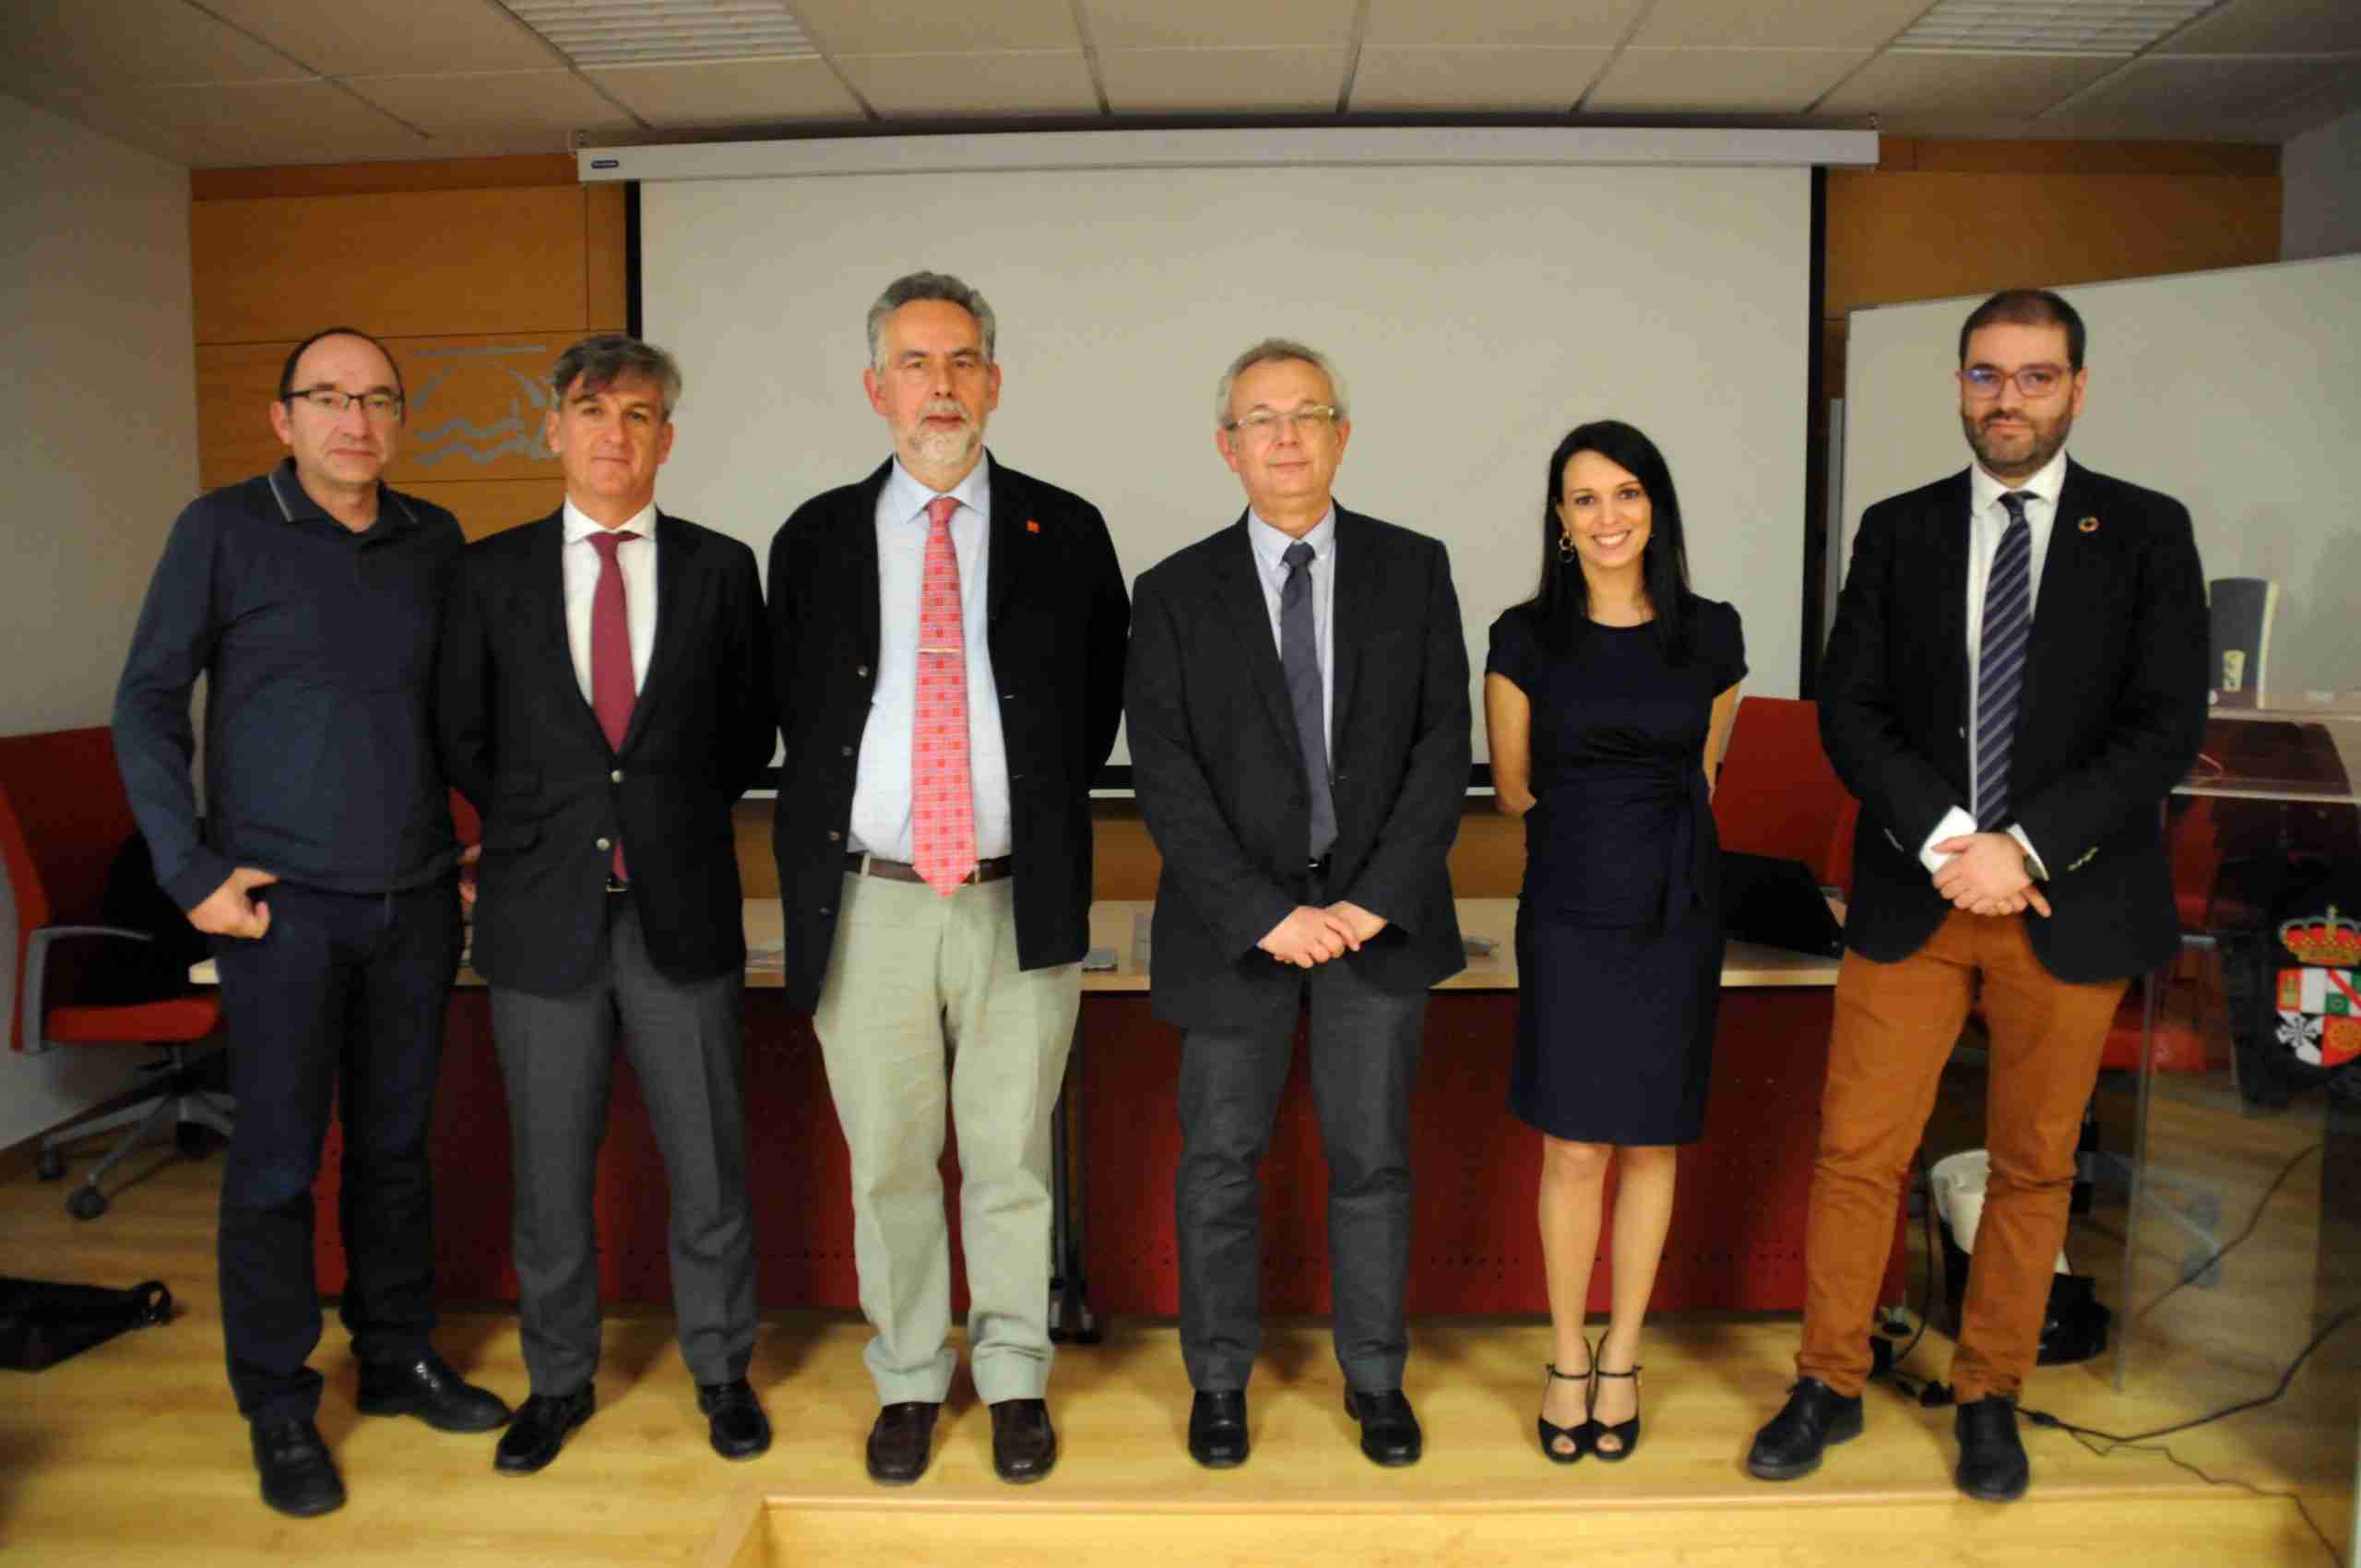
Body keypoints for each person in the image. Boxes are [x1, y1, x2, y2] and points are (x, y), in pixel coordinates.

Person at [1746, 289, 2207, 1502]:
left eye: (2036, 376)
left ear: (2077, 388)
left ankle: (1991, 1391)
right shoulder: (1897, 531)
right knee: (1858, 1153)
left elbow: (2166, 726)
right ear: (1960, 386)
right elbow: (1851, 710)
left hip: (2070, 900)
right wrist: (1955, 838)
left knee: (2034, 1165)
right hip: (1918, 893)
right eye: (1987, 376)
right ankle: (1829, 1381)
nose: (2009, 399)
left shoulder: (2149, 532)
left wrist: (2028, 848)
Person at [114, 327, 510, 1519]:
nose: (356, 419)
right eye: (328, 398)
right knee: (279, 1167)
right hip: (274, 912)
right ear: (282, 418)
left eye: (378, 398)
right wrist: (190, 872)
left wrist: (477, 834)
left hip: (413, 903)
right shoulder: (220, 531)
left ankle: (394, 1358)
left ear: (400, 419)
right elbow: (144, 702)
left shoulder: (432, 539)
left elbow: (454, 710)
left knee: (396, 1154)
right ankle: (279, 1405)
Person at [767, 271, 1128, 1486]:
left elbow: (1091, 711)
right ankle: (914, 1376)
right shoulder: (813, 539)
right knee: (889, 1160)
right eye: (917, 364)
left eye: (963, 360)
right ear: (877, 388)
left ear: (995, 381)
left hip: (1013, 893)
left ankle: (1017, 1374)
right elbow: (795, 716)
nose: (942, 385)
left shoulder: (1065, 530)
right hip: (865, 899)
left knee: (1011, 1154)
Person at [1127, 339, 1470, 1470]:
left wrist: (1372, 898)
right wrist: (1266, 914)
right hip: (1237, 933)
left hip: (1374, 922)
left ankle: (1374, 1376)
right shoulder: (1172, 592)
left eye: (1306, 414)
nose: (1284, 436)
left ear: (1342, 434)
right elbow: (1165, 774)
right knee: (1218, 1161)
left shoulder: (1414, 568)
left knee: (1371, 1158)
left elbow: (1438, 747)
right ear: (1227, 447)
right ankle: (1217, 1379)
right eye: (1259, 419)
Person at [436, 334, 776, 1475]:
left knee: (711, 1162)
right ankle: (558, 1378)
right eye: (590, 411)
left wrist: (657, 815)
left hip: (680, 908)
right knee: (548, 1171)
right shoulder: (489, 573)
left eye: (637, 415)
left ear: (667, 438)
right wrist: (559, 827)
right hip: (543, 917)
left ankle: (723, 1372)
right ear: (553, 428)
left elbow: (745, 732)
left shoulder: (723, 568)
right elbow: (466, 736)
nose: (612, 434)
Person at [1484, 421, 1745, 1464]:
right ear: (1558, 518)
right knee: (1574, 1142)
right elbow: (1511, 788)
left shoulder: (1713, 632)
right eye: (1583, 497)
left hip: (1676, 907)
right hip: (1569, 906)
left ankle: (1623, 1351)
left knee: (1649, 1138)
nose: (1606, 515)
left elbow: (1708, 775)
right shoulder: (1521, 635)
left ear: (1656, 506)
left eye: (1625, 492)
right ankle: (1563, 1351)